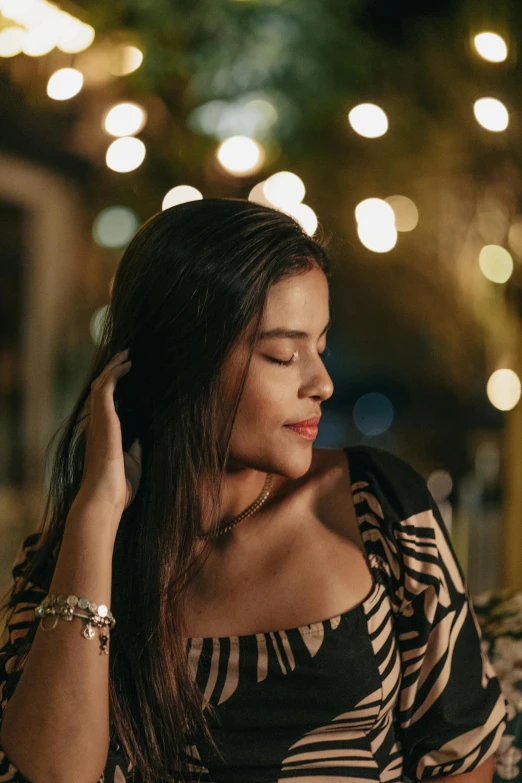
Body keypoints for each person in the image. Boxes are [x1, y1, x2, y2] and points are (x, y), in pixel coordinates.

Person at [0, 198, 508, 783]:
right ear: (180, 364)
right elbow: (53, 774)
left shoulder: (378, 508)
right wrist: (95, 515)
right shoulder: (75, 562)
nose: (322, 383)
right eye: (283, 355)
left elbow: (464, 757)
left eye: (319, 345)